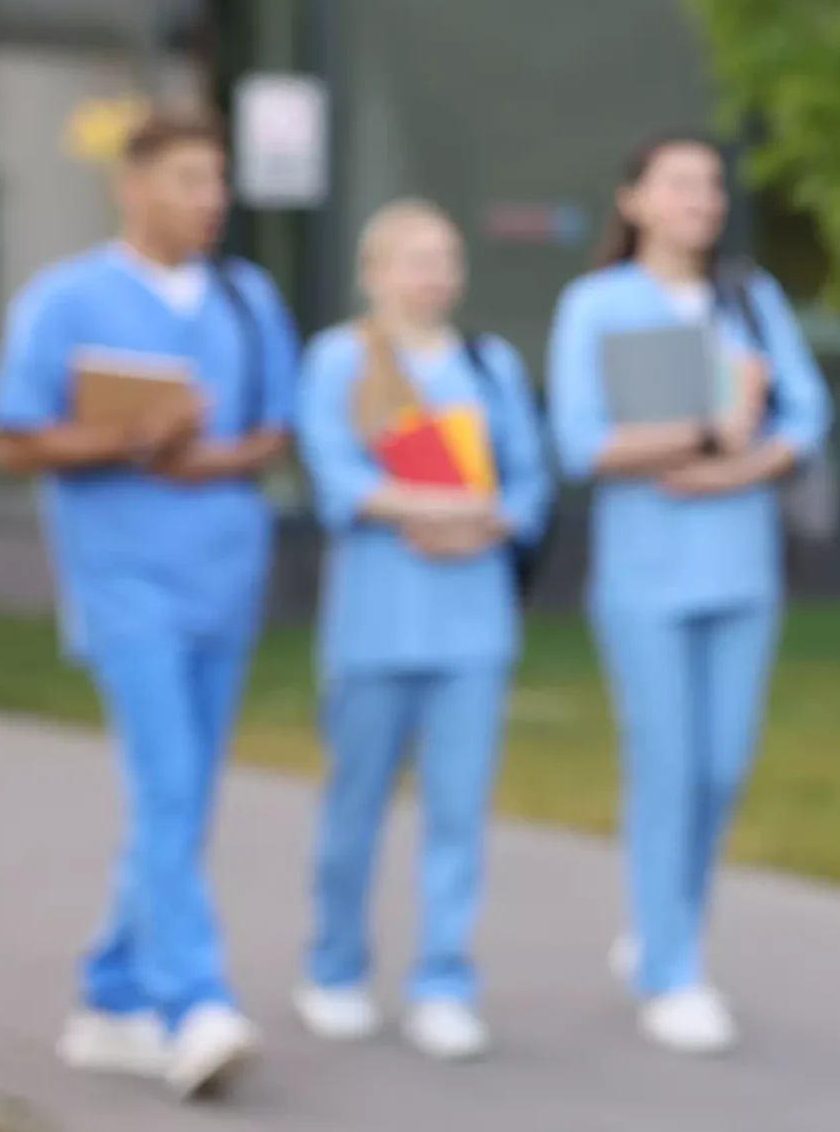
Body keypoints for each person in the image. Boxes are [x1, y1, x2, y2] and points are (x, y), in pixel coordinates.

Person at [0, 106, 300, 1100]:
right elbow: (13, 441)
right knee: (167, 786)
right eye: (190, 181)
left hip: (224, 579)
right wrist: (137, 438)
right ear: (134, 186)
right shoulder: (65, 301)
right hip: (124, 583)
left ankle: (110, 995)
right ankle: (193, 1001)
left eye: (218, 182)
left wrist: (205, 453)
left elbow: (272, 430)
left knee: (185, 799)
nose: (212, 202)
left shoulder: (249, 298)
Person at [547, 134, 831, 1055]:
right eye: (678, 183)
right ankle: (671, 967)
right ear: (633, 200)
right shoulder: (595, 304)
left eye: (710, 184)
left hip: (741, 571)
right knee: (666, 765)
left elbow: (808, 415)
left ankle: (662, 923)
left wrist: (734, 464)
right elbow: (582, 442)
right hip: (644, 579)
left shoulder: (749, 297)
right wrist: (702, 437)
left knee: (720, 768)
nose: (700, 199)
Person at [288, 199, 551, 1062]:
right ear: (375, 271)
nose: (434, 273)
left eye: (446, 257)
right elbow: (333, 476)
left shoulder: (489, 363)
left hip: (472, 630)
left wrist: (488, 519)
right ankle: (333, 968)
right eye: (415, 258)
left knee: (457, 813)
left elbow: (528, 483)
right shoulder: (339, 359)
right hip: (373, 629)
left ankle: (443, 980)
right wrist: (442, 506)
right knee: (352, 809)